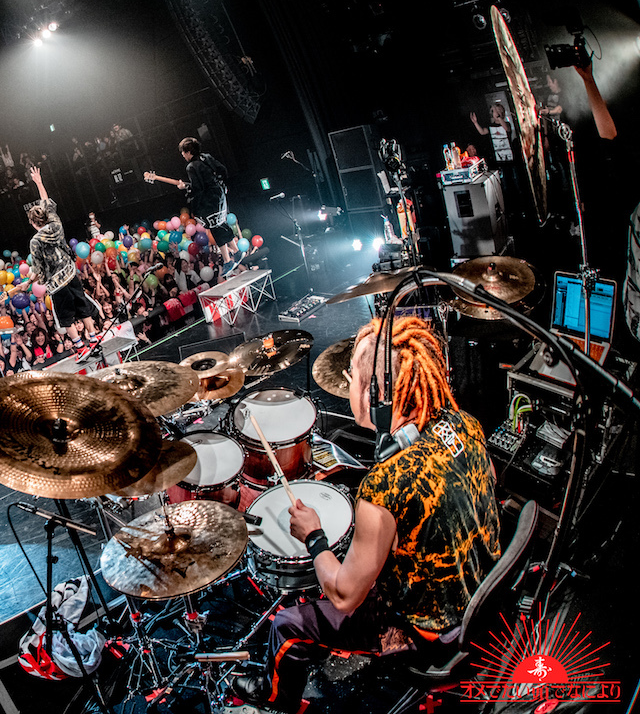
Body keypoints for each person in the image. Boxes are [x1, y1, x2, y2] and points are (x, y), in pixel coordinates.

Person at [231, 316, 501, 711]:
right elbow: (483, 481)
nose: (348, 385)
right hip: (477, 597)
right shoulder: (466, 424)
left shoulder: (388, 484)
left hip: (428, 635)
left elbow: (342, 595)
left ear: (378, 394)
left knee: (287, 625)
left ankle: (280, 698)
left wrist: (314, 536)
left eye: (353, 376)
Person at [20, 166, 99, 352]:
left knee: (66, 315)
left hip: (56, 283)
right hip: (71, 273)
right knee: (81, 304)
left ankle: (80, 347)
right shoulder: (55, 222)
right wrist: (39, 182)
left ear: (32, 223)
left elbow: (38, 269)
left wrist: (28, 283)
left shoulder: (35, 241)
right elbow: (46, 201)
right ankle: (94, 338)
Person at [176, 137, 237, 270]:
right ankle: (236, 251)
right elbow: (222, 170)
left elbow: (198, 189)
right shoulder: (206, 157)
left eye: (183, 152)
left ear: (188, 152)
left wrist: (187, 191)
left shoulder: (191, 167)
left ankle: (228, 261)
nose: (182, 155)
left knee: (215, 227)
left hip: (209, 201)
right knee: (222, 223)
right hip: (220, 195)